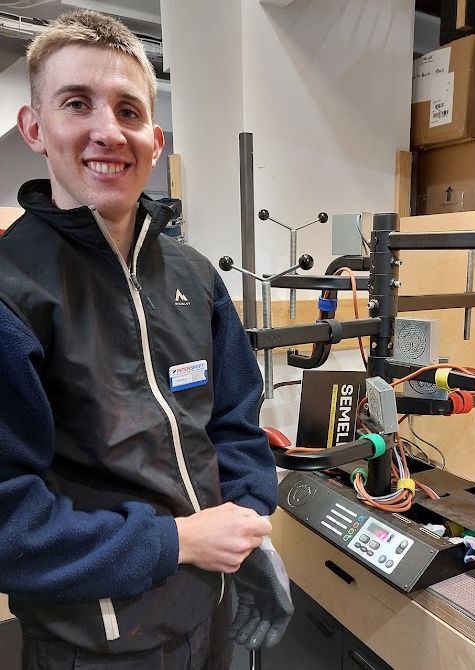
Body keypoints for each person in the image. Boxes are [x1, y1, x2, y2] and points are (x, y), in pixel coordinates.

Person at [0, 9, 291, 669]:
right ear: (35, 129)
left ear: (155, 140)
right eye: (78, 104)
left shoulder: (192, 274)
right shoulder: (12, 296)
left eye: (128, 111)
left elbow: (234, 425)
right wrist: (179, 541)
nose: (108, 132)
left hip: (205, 610)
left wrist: (246, 534)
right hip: (94, 641)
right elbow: (8, 523)